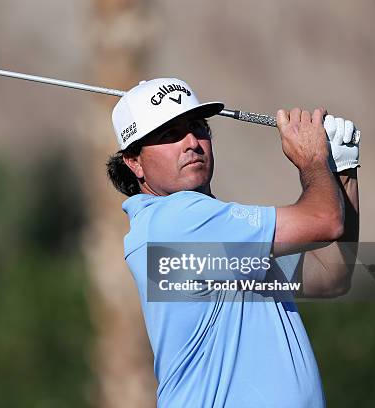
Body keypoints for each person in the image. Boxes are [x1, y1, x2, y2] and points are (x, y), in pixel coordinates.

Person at [106, 78, 360, 407]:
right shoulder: (177, 222)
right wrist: (314, 159)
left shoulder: (215, 241)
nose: (191, 143)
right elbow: (326, 220)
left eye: (197, 127)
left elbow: (332, 275)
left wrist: (343, 167)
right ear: (134, 162)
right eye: (170, 134)